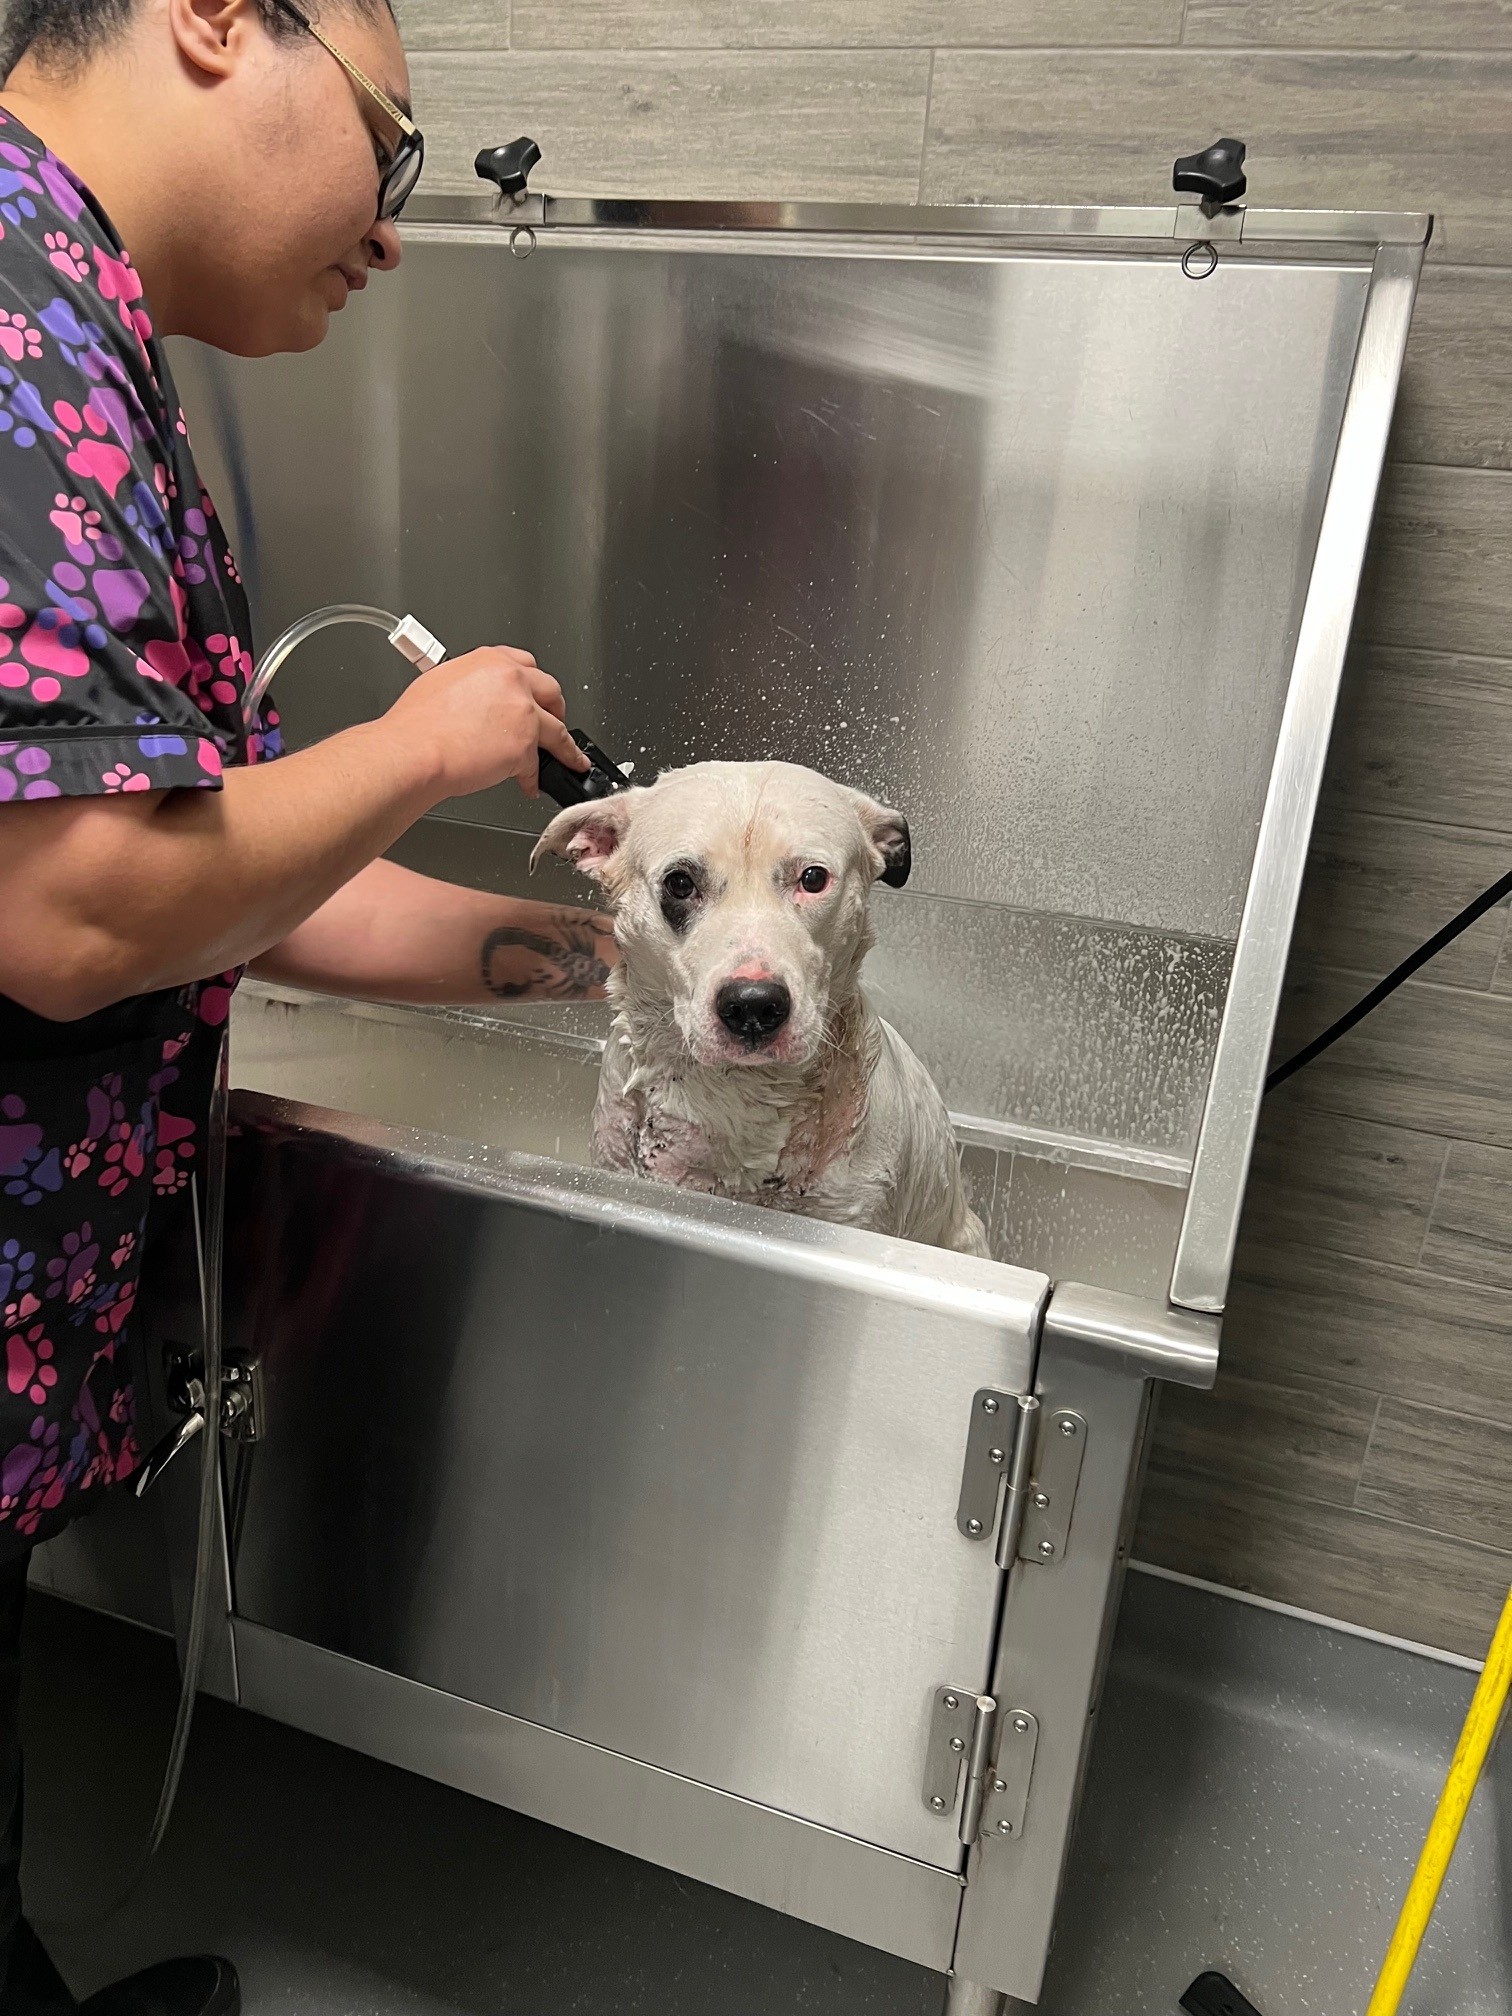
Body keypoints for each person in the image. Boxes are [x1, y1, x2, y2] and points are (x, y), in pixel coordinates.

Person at [0, 2, 615, 2008]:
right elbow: (79, 907)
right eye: (390, 141)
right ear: (211, 20)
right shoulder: (13, 317)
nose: (392, 227)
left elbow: (220, 867)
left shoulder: (83, 319)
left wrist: (591, 960)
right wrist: (424, 744)